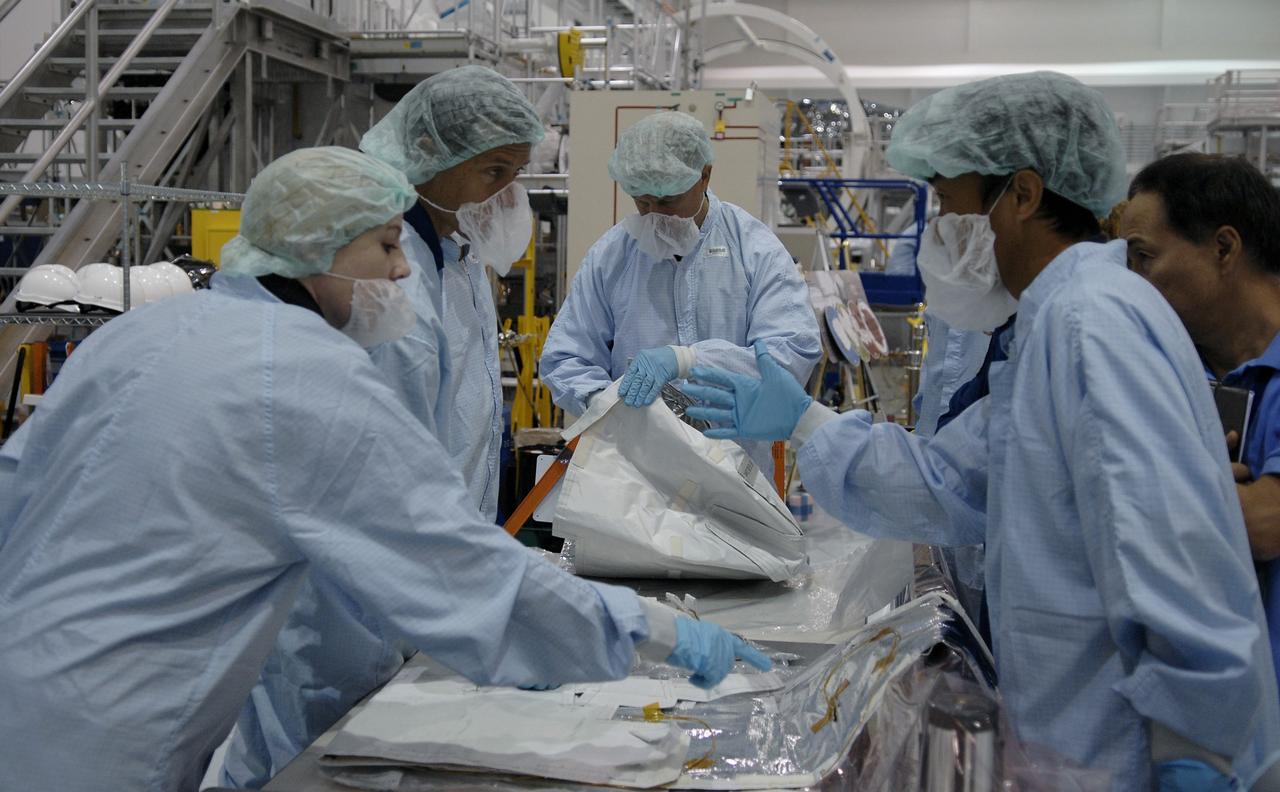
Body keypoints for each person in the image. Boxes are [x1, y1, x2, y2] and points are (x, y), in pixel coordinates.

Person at [0, 147, 768, 792]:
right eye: (386, 246)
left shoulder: (139, 335)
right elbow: (458, 568)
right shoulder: (303, 375)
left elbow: (13, 488)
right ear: (314, 249)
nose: (403, 273)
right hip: (107, 738)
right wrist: (661, 634)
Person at [683, 72, 1280, 790]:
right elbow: (951, 484)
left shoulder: (1092, 322)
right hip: (1074, 744)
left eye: (948, 201)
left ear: (1022, 194)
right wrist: (806, 421)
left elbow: (1174, 564)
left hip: (1126, 757)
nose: (937, 227)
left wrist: (1199, 759)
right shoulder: (1055, 322)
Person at [221, 67, 546, 787]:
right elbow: (383, 476)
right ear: (429, 158)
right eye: (494, 170)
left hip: (423, 572)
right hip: (359, 593)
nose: (508, 194)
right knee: (308, 755)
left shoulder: (456, 256)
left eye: (517, 174)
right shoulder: (386, 295)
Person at [539, 111, 821, 474]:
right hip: (634, 474)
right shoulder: (611, 256)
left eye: (668, 200)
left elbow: (790, 352)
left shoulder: (754, 250)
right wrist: (607, 402)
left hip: (736, 471)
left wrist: (690, 360)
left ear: (704, 175)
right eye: (642, 202)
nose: (655, 214)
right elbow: (565, 358)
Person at [1121, 151, 1280, 702]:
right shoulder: (1185, 372)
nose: (1132, 283)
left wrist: (1162, 481)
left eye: (1144, 258)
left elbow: (1264, 522)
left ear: (1224, 248)